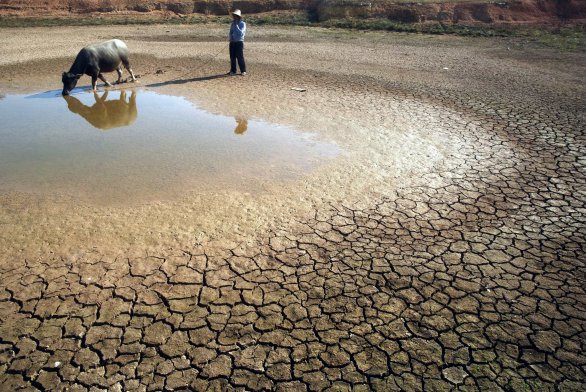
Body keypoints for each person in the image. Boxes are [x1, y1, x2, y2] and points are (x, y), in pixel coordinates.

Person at [228, 9, 247, 76]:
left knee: (240, 57)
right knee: (232, 57)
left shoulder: (243, 24)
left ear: (238, 16)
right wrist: (230, 38)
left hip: (239, 42)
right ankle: (233, 71)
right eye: (234, 16)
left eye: (235, 16)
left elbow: (241, 33)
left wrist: (236, 25)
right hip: (232, 42)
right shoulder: (232, 24)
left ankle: (243, 71)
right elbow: (231, 32)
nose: (234, 17)